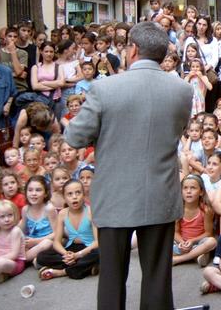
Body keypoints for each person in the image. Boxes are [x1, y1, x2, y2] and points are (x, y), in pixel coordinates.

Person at [65, 21, 194, 309]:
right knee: (157, 278)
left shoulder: (104, 88)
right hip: (160, 192)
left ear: (133, 49)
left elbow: (74, 137)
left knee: (111, 278)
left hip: (115, 194)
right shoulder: (183, 90)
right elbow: (178, 129)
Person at [36, 179, 99, 280]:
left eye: (78, 192)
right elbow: (56, 242)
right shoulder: (63, 213)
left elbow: (97, 242)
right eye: (70, 194)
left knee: (100, 254)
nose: (74, 196)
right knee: (41, 256)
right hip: (72, 248)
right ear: (64, 198)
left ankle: (62, 271)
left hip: (88, 249)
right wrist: (66, 254)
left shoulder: (90, 212)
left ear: (83, 194)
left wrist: (78, 255)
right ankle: (85, 267)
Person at [172, 174, 217, 266]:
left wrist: (192, 241)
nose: (188, 191)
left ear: (201, 192)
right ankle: (196, 256)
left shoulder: (206, 210)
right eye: (185, 188)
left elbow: (208, 233)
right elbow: (175, 232)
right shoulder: (178, 209)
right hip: (181, 244)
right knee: (161, 246)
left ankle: (178, 259)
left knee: (212, 242)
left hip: (198, 243)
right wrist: (182, 242)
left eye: (193, 188)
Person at [20, 175, 56, 262]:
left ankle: (21, 259)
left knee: (46, 244)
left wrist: (36, 241)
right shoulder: (25, 209)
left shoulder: (49, 209)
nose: (34, 193)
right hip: (31, 242)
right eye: (30, 190)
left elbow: (57, 233)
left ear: (45, 193)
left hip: (45, 241)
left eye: (38, 190)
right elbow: (21, 230)